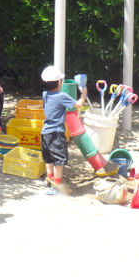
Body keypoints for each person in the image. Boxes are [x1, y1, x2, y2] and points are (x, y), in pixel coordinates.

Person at [41, 66, 87, 194]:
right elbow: (78, 105)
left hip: (45, 132)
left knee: (48, 158)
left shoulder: (44, 94)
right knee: (58, 160)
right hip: (56, 133)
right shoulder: (61, 96)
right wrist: (83, 94)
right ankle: (57, 184)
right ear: (59, 82)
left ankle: (49, 179)